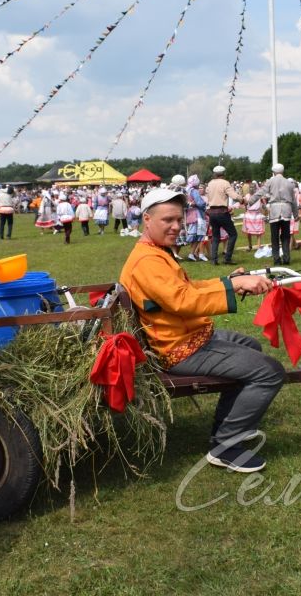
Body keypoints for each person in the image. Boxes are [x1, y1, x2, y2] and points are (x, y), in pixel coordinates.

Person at [119, 188, 284, 472]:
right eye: (168, 220)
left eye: (179, 220)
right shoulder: (148, 261)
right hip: (177, 349)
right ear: (147, 219)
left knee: (251, 348)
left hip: (186, 337)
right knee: (270, 372)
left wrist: (229, 281)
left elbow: (186, 289)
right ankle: (226, 447)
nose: (176, 227)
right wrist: (235, 287)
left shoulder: (155, 253)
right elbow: (183, 301)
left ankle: (227, 427)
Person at [248, 164, 298, 265]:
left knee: (274, 236)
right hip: (286, 210)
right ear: (282, 171)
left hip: (274, 210)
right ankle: (286, 258)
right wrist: (296, 214)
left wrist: (250, 201)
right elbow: (293, 201)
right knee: (286, 236)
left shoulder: (270, 182)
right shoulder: (289, 183)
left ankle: (276, 259)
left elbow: (260, 192)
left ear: (274, 172)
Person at [205, 165, 243, 265]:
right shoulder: (225, 183)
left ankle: (214, 260)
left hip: (212, 213)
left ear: (214, 174)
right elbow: (234, 196)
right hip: (222, 212)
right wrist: (242, 199)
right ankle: (227, 258)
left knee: (216, 236)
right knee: (233, 234)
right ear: (223, 174)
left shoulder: (210, 183)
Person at [184, 175, 209, 261]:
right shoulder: (194, 191)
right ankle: (198, 253)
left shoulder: (187, 190)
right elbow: (200, 203)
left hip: (191, 214)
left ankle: (192, 253)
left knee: (197, 235)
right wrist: (204, 205)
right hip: (197, 215)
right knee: (199, 234)